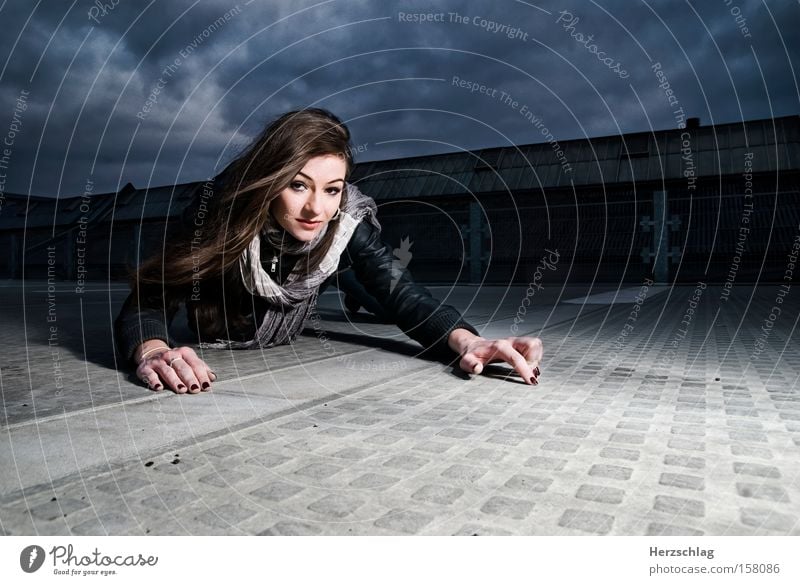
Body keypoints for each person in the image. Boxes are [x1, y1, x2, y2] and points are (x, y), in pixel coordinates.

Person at [114, 108, 543, 394]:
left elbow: (405, 294)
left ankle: (347, 279)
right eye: (298, 185)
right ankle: (345, 278)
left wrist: (469, 340)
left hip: (311, 282)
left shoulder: (341, 218)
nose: (316, 208)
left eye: (332, 189)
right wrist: (153, 350)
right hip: (231, 313)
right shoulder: (217, 210)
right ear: (269, 181)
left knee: (375, 284)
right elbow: (150, 296)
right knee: (352, 274)